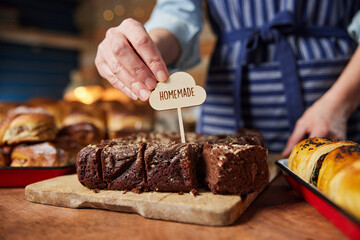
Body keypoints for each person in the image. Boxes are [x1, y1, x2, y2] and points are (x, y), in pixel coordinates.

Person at [95, 0, 360, 156]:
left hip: (343, 102)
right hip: (227, 106)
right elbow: (177, 12)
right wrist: (146, 47)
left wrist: (339, 103)